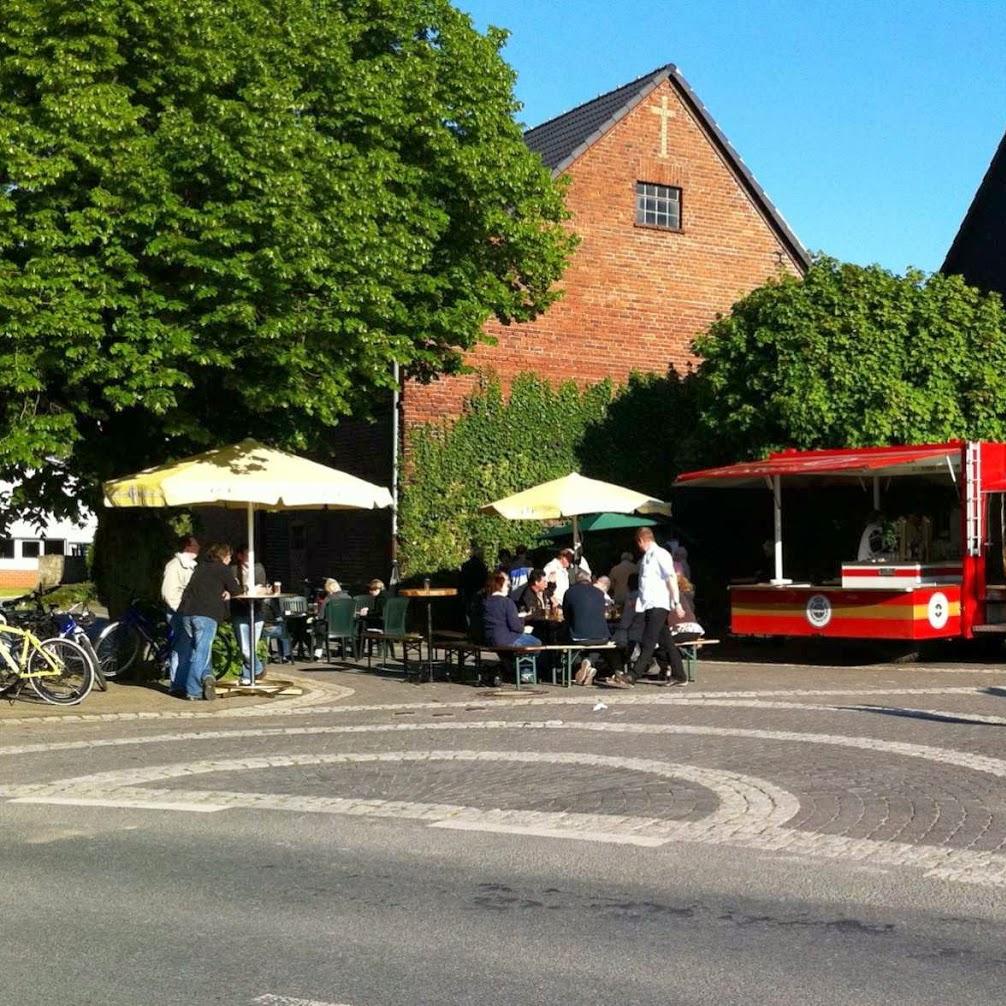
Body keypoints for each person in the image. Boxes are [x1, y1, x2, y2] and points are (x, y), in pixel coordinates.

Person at [607, 527, 686, 688]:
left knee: (648, 640)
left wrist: (676, 602)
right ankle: (680, 675)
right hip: (650, 604)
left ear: (641, 540)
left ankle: (633, 675)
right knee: (666, 641)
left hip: (658, 604)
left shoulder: (660, 554)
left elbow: (671, 576)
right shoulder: (647, 557)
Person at [177, 543, 241, 700]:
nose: (230, 559)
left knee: (195, 651)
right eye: (229, 556)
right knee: (202, 653)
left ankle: (207, 680)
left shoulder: (201, 567)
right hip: (206, 614)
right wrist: (229, 591)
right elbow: (235, 590)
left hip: (188, 613)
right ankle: (193, 690)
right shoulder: (222, 569)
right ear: (224, 556)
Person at [161, 534, 199, 694]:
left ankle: (182, 682)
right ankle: (177, 684)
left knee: (187, 648)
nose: (199, 547)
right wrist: (180, 609)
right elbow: (168, 592)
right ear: (188, 546)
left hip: (188, 611)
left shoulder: (190, 565)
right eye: (196, 544)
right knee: (181, 647)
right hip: (180, 612)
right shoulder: (175, 566)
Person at [563, 569, 612, 686]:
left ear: (575, 580)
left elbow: (566, 616)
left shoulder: (570, 592)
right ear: (589, 579)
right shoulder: (600, 593)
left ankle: (579, 666)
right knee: (597, 645)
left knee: (566, 640)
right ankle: (589, 662)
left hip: (578, 636)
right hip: (602, 636)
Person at [230, 543, 269, 685]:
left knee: (252, 646)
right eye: (247, 554)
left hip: (256, 610)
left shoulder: (259, 569)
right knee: (245, 647)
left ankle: (247, 676)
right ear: (240, 556)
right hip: (239, 610)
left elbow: (262, 587)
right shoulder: (233, 570)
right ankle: (258, 668)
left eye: (252, 554)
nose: (250, 557)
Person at [481, 571, 541, 648]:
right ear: (500, 585)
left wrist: (519, 617)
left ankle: (508, 659)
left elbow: (499, 619)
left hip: (489, 640)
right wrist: (525, 629)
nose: (509, 587)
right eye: (508, 585)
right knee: (537, 642)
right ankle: (525, 660)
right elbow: (516, 627)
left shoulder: (485, 601)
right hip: (506, 640)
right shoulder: (507, 602)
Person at [460, 545, 489, 624]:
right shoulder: (482, 566)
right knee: (478, 613)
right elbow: (485, 580)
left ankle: (470, 630)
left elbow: (462, 580)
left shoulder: (465, 565)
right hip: (479, 592)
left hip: (468, 592)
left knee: (469, 612)